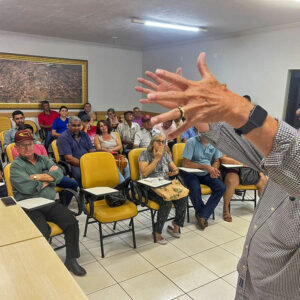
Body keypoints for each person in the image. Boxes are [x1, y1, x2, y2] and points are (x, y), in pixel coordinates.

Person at [136, 52, 300, 299]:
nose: (297, 111)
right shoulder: (282, 164)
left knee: (217, 185)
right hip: (251, 285)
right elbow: (242, 144)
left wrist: (235, 106)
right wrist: (201, 116)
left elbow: (288, 151)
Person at [10, 130, 86, 276]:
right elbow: (27, 187)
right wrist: (48, 179)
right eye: (23, 145)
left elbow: (59, 174)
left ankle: (71, 259)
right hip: (28, 206)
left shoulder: (43, 159)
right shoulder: (15, 167)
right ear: (17, 148)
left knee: (71, 222)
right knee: (43, 230)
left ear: (34, 145)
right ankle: (42, 263)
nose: (27, 148)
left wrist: (37, 177)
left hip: (48, 202)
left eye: (30, 144)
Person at [13, 124, 78, 206]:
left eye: (30, 133)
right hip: (37, 177)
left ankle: (63, 205)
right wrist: (49, 176)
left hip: (45, 175)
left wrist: (42, 176)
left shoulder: (40, 147)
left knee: (73, 183)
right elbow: (25, 169)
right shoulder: (17, 149)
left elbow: (49, 164)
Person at [138, 133, 186, 244]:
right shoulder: (144, 154)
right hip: (149, 187)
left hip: (165, 185)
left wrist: (173, 172)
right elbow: (144, 173)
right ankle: (157, 232)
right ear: (152, 143)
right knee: (167, 202)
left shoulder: (165, 154)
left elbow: (176, 169)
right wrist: (156, 159)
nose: (160, 143)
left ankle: (176, 225)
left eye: (163, 141)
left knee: (183, 196)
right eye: (158, 141)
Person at [182, 130, 225, 229]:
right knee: (195, 188)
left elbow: (216, 160)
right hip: (191, 172)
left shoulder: (214, 143)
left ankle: (202, 214)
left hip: (206, 173)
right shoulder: (191, 142)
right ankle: (203, 216)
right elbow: (186, 163)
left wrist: (214, 169)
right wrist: (205, 166)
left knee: (221, 187)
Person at [220, 154, 267, 222]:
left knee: (263, 181)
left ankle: (263, 208)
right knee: (231, 181)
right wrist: (240, 162)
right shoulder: (229, 144)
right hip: (234, 168)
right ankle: (226, 209)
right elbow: (223, 159)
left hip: (250, 169)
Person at [57, 116, 94, 184]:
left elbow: (91, 150)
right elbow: (69, 158)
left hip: (87, 162)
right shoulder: (63, 137)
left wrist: (91, 162)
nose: (77, 128)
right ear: (68, 125)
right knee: (85, 175)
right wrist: (85, 164)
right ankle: (84, 192)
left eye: (78, 125)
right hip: (73, 164)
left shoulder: (84, 135)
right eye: (74, 125)